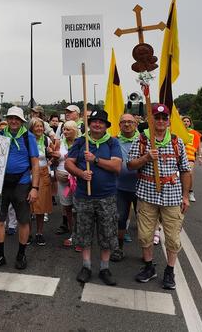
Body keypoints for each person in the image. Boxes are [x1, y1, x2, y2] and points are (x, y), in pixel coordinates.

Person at [127, 103, 191, 290]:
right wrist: (146, 158)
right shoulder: (141, 140)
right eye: (157, 117)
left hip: (171, 197)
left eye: (164, 118)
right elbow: (130, 165)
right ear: (151, 120)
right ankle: (149, 267)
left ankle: (170, 271)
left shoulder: (176, 141)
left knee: (172, 237)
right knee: (145, 235)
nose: (161, 121)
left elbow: (185, 170)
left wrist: (185, 196)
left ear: (169, 120)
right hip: (147, 196)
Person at [65, 109, 122, 286]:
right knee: (84, 232)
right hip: (84, 197)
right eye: (94, 121)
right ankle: (86, 266)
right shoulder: (81, 141)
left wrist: (95, 159)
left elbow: (116, 166)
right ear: (89, 124)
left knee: (106, 233)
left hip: (107, 196)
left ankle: (105, 268)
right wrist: (81, 173)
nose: (97, 124)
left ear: (106, 125)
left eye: (101, 122)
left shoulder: (113, 142)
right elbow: (68, 163)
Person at [0, 106, 40, 271]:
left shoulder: (28, 137)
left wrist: (35, 188)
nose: (13, 121)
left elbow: (35, 164)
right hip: (1, 183)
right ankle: (0, 254)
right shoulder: (1, 136)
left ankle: (21, 254)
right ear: (7, 119)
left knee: (23, 220)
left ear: (22, 121)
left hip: (22, 183)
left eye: (16, 118)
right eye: (10, 118)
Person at [110, 114, 139, 262]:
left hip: (141, 188)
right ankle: (118, 249)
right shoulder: (113, 141)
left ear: (136, 124)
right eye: (124, 122)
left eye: (130, 122)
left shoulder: (144, 140)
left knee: (144, 223)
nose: (127, 124)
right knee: (120, 219)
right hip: (120, 187)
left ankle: (146, 255)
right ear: (119, 125)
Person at [55, 120, 79, 249]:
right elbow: (53, 158)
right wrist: (53, 154)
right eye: (64, 129)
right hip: (63, 181)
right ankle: (72, 232)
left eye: (68, 129)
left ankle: (78, 234)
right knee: (67, 207)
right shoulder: (59, 142)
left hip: (76, 181)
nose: (65, 132)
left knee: (77, 209)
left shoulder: (80, 143)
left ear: (75, 131)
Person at [30, 117, 53, 246]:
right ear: (31, 128)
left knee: (41, 205)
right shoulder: (27, 139)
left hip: (43, 172)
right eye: (36, 126)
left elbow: (55, 154)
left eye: (41, 126)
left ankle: (39, 233)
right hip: (29, 172)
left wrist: (51, 158)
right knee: (27, 205)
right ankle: (27, 233)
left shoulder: (46, 139)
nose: (39, 129)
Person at [182, 116, 202, 202]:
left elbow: (198, 146)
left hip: (190, 156)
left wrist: (200, 156)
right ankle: (182, 193)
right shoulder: (178, 132)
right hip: (180, 156)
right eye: (184, 121)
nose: (186, 122)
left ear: (190, 123)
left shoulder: (195, 133)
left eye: (187, 121)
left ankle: (190, 192)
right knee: (179, 176)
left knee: (189, 174)